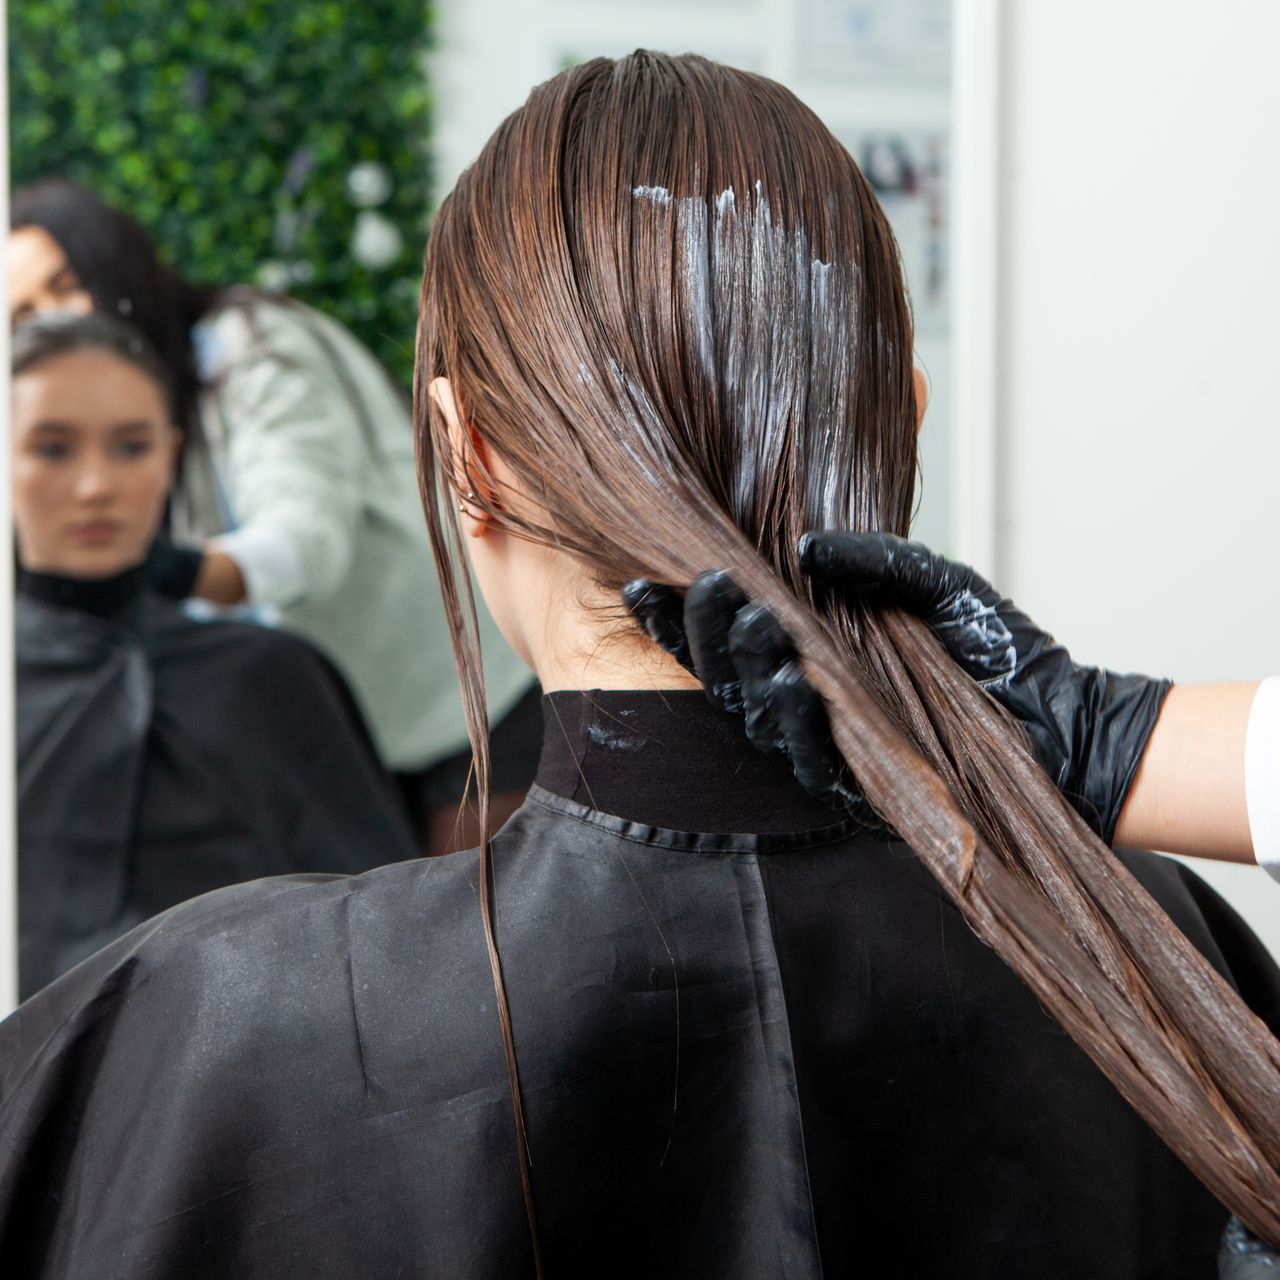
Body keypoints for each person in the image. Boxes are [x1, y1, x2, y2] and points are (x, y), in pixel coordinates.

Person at [2, 53, 1279, 1277]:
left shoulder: (214, 1024)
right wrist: (1122, 751)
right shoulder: (1157, 955)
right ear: (906, 422)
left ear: (468, 453)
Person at [8, 179, 540, 850]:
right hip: (333, 742)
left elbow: (306, 539)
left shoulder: (251, 347)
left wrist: (167, 570)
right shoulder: (107, 407)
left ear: (115, 262)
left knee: (477, 934)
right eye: (25, 315)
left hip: (456, 702)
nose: (61, 318)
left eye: (66, 282)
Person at [10, 312, 420, 999]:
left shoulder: (268, 676)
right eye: (53, 449)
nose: (95, 486)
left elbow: (389, 951)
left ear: (171, 454)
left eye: (131, 447)